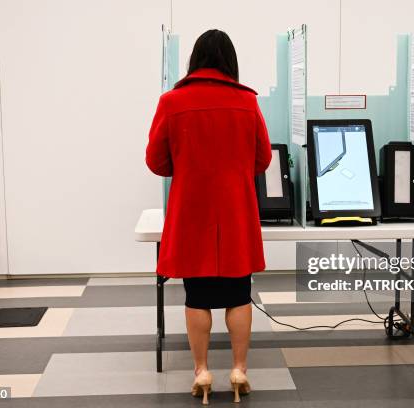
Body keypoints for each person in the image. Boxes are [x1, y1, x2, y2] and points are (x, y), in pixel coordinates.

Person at [146, 29, 271, 404]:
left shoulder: (172, 101)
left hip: (191, 212)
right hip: (235, 211)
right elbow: (263, 159)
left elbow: (155, 160)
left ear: (194, 61)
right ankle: (238, 369)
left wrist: (184, 166)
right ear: (230, 62)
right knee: (238, 294)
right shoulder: (247, 103)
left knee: (196, 296)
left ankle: (201, 371)